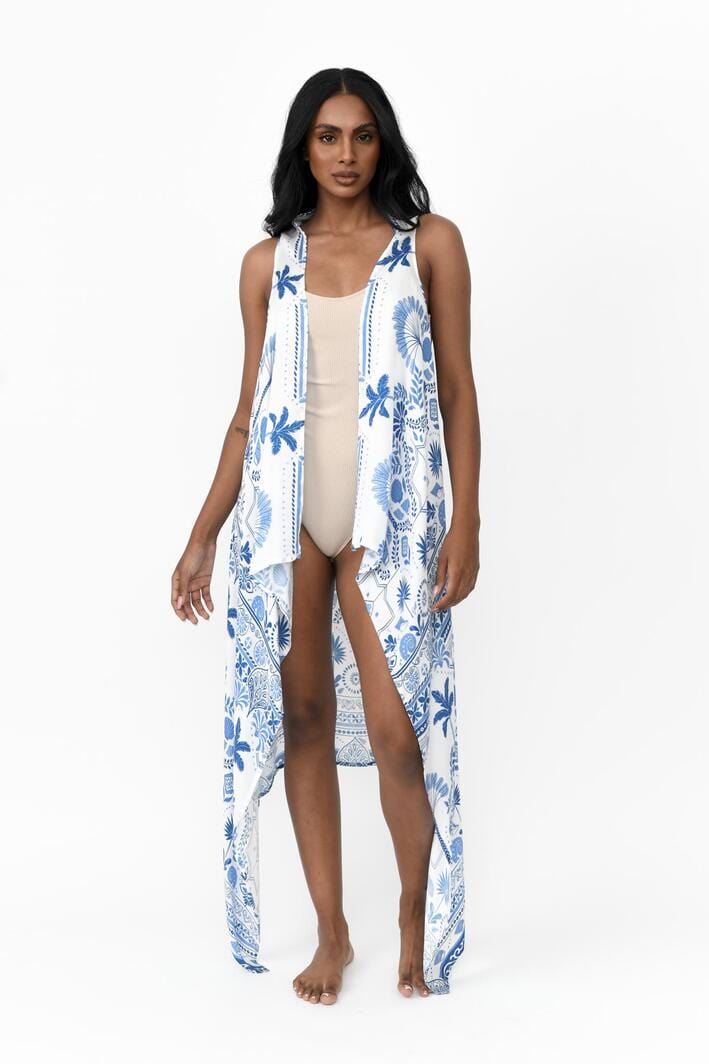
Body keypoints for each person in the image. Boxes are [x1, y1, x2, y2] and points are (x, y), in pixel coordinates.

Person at [171, 68, 481, 1005]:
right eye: (327, 137)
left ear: (383, 144)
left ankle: (413, 915)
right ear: (302, 150)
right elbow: (247, 414)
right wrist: (202, 535)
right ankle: (332, 933)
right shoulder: (267, 264)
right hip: (286, 518)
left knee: (396, 731)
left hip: (393, 520)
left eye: (362, 135)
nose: (346, 155)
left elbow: (458, 391)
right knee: (303, 719)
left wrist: (467, 520)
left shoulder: (429, 245)